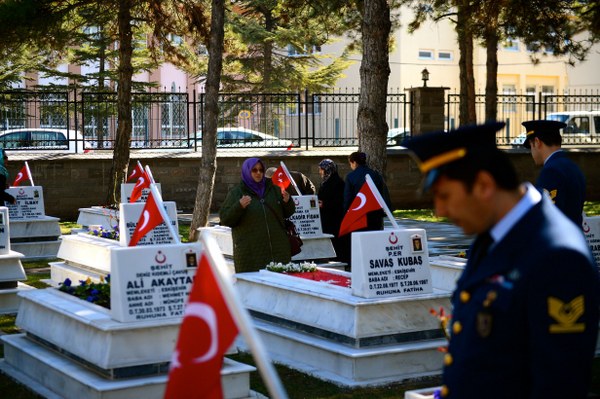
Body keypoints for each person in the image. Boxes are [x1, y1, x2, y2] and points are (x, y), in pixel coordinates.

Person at [403, 122, 599, 399]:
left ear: (483, 185)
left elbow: (558, 385)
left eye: (444, 196)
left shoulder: (558, 256)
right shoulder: (493, 236)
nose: (439, 211)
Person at [219, 157, 296, 273]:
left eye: (261, 170)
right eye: (254, 170)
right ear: (247, 172)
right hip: (251, 253)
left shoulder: (274, 189)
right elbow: (225, 219)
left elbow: (288, 213)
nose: (258, 173)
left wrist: (288, 202)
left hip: (278, 251)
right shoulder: (236, 193)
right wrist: (239, 206)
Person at [522, 119, 586, 226]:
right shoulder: (573, 167)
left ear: (537, 142)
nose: (531, 152)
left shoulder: (551, 171)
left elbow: (546, 217)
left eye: (531, 146)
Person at [343, 151, 391, 231]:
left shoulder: (350, 177)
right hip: (374, 213)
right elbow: (382, 192)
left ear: (354, 162)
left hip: (358, 214)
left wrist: (345, 213)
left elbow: (348, 197)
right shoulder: (375, 174)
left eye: (350, 163)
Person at [316, 159, 350, 264]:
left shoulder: (337, 183)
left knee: (336, 241)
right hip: (328, 218)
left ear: (327, 170)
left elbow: (339, 201)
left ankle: (339, 260)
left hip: (335, 219)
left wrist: (324, 204)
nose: (320, 172)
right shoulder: (327, 181)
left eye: (321, 169)